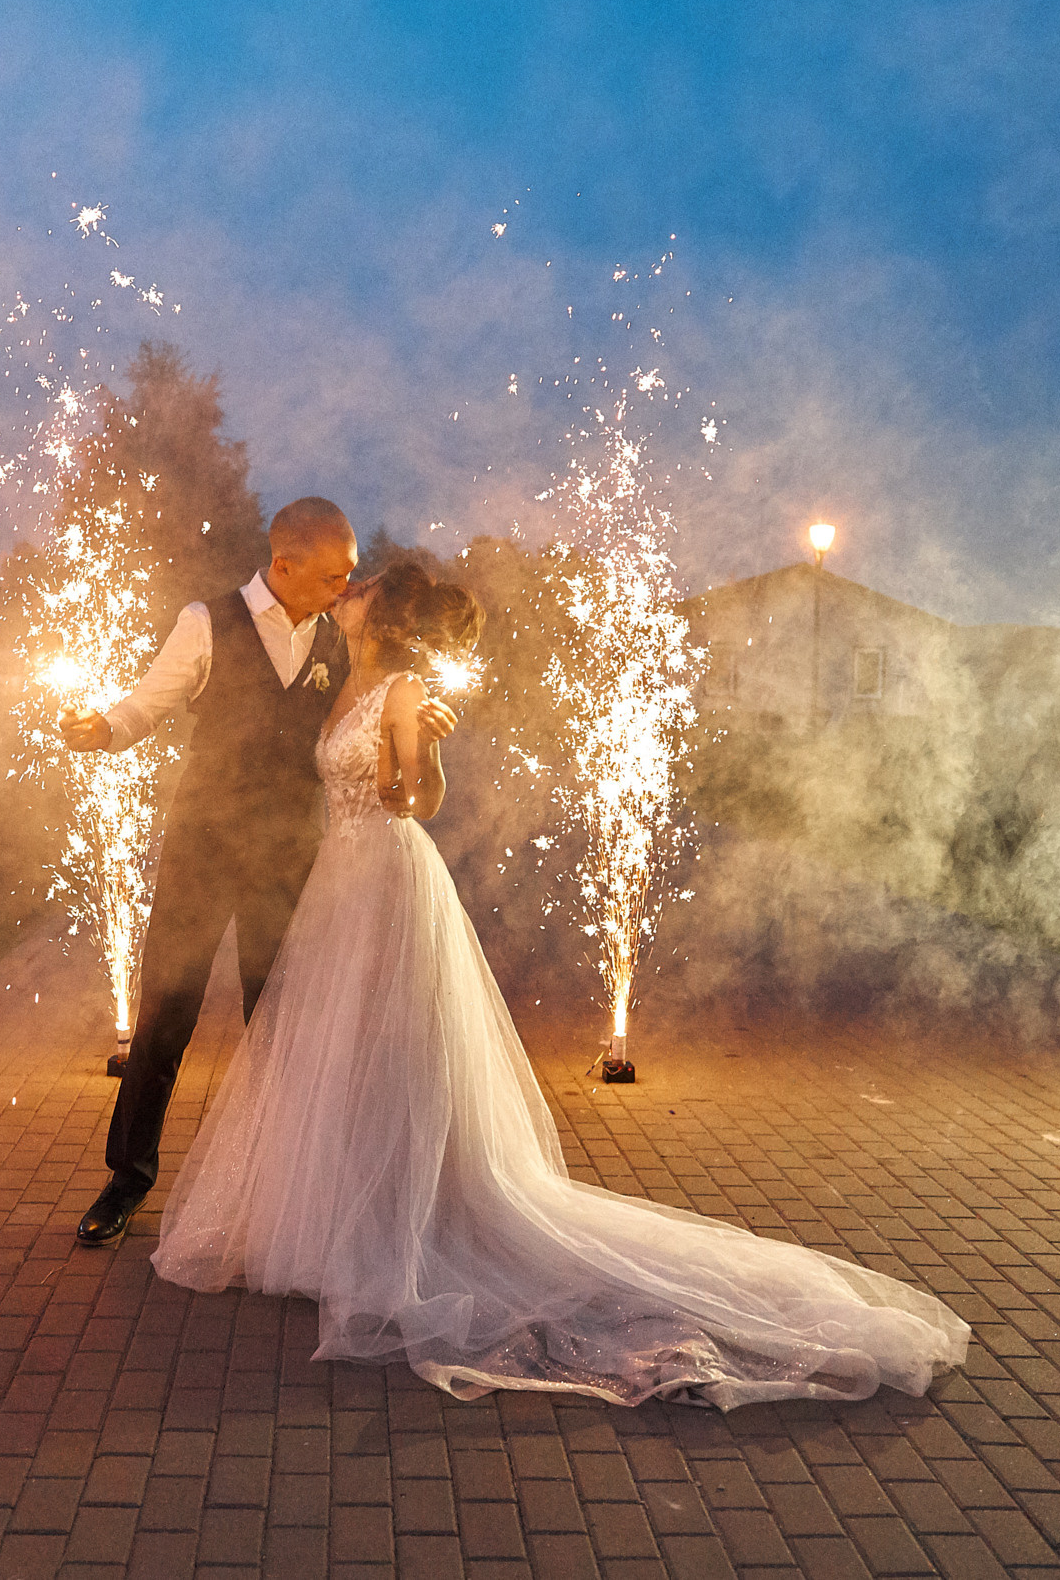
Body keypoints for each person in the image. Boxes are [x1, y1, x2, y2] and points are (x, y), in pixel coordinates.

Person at [151, 560, 970, 1409]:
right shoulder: (344, 671)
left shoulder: (401, 689)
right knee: (340, 1053)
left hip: (386, 878)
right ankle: (340, 1222)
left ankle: (401, 1226)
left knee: (388, 1048)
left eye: (356, 590)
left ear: (377, 615)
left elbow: (418, 800)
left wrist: (421, 751)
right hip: (336, 882)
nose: (343, 594)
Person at [64, 499, 455, 1246]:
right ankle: (128, 1178)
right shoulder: (204, 622)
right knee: (165, 1009)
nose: (346, 587)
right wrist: (101, 730)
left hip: (289, 855)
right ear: (285, 567)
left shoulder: (338, 642)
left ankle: (281, 1184)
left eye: (351, 575)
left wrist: (422, 730)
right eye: (334, 573)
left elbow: (377, 710)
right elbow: (144, 707)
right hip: (204, 845)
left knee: (278, 1017)